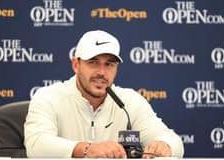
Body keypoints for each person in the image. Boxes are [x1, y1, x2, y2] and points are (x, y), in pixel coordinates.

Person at [24, 30, 184, 158]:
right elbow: (36, 145)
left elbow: (175, 142)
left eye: (109, 64)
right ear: (76, 65)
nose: (101, 72)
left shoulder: (129, 102)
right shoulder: (48, 97)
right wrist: (86, 149)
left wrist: (164, 145)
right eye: (93, 62)